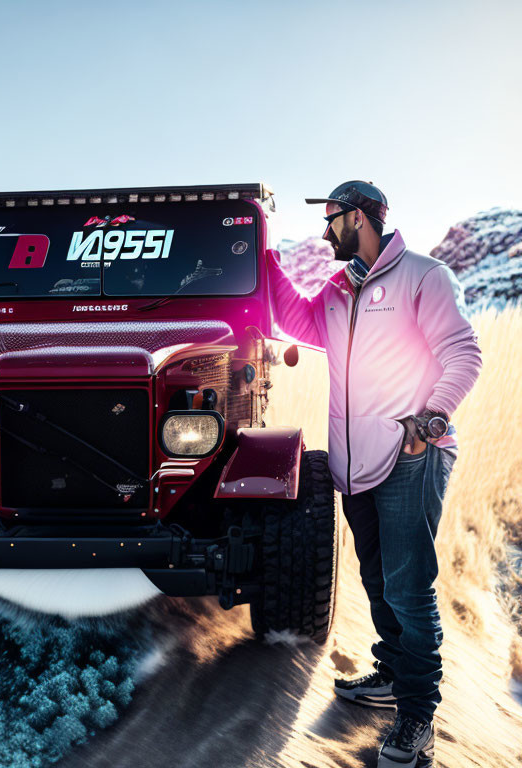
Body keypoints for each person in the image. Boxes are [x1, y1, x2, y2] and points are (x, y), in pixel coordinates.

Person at [265, 180, 482, 767]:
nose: (324, 230)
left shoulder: (423, 276)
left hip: (411, 456)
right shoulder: (338, 291)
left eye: (332, 219)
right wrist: (261, 250)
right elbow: (293, 320)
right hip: (355, 466)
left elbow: (464, 351)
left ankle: (417, 718)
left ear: (360, 218)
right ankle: (391, 674)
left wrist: (430, 419)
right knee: (377, 577)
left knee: (409, 591)